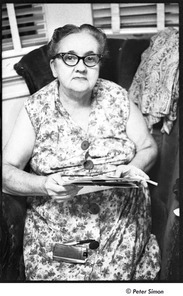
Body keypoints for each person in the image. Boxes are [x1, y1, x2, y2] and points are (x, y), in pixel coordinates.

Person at [3, 24, 160, 281]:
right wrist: (44, 185)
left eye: (90, 58)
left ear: (98, 63)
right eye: (69, 57)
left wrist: (135, 165)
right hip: (58, 235)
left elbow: (148, 147)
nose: (80, 66)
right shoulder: (35, 108)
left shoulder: (118, 97)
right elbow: (6, 171)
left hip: (121, 228)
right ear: (54, 66)